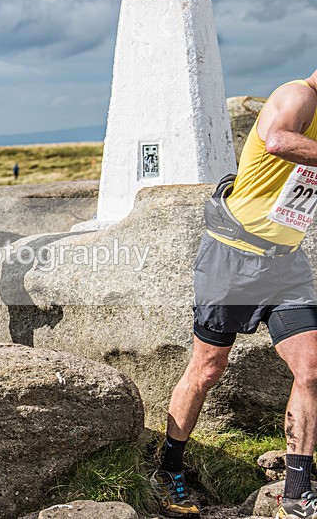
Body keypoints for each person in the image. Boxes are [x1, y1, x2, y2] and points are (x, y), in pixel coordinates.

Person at [153, 70, 317, 519]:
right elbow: (279, 141)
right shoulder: (298, 95)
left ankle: (297, 493)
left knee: (311, 368)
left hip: (287, 265)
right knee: (207, 369)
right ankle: (169, 468)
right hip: (233, 258)